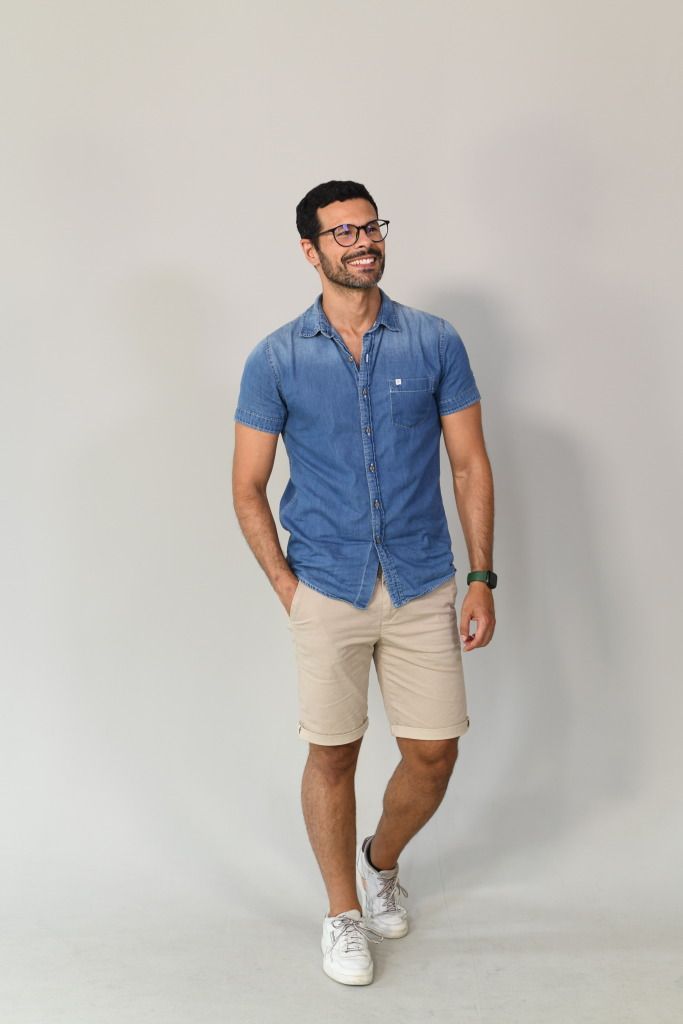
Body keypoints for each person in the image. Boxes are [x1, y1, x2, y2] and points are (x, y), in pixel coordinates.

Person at [232, 180, 496, 986]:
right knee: (333, 756)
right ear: (310, 250)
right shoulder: (276, 357)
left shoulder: (434, 341)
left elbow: (468, 463)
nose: (362, 242)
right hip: (325, 585)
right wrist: (287, 587)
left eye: (369, 226)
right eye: (341, 233)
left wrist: (480, 576)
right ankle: (342, 913)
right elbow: (246, 486)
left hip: (421, 582)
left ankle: (380, 861)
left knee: (433, 754)